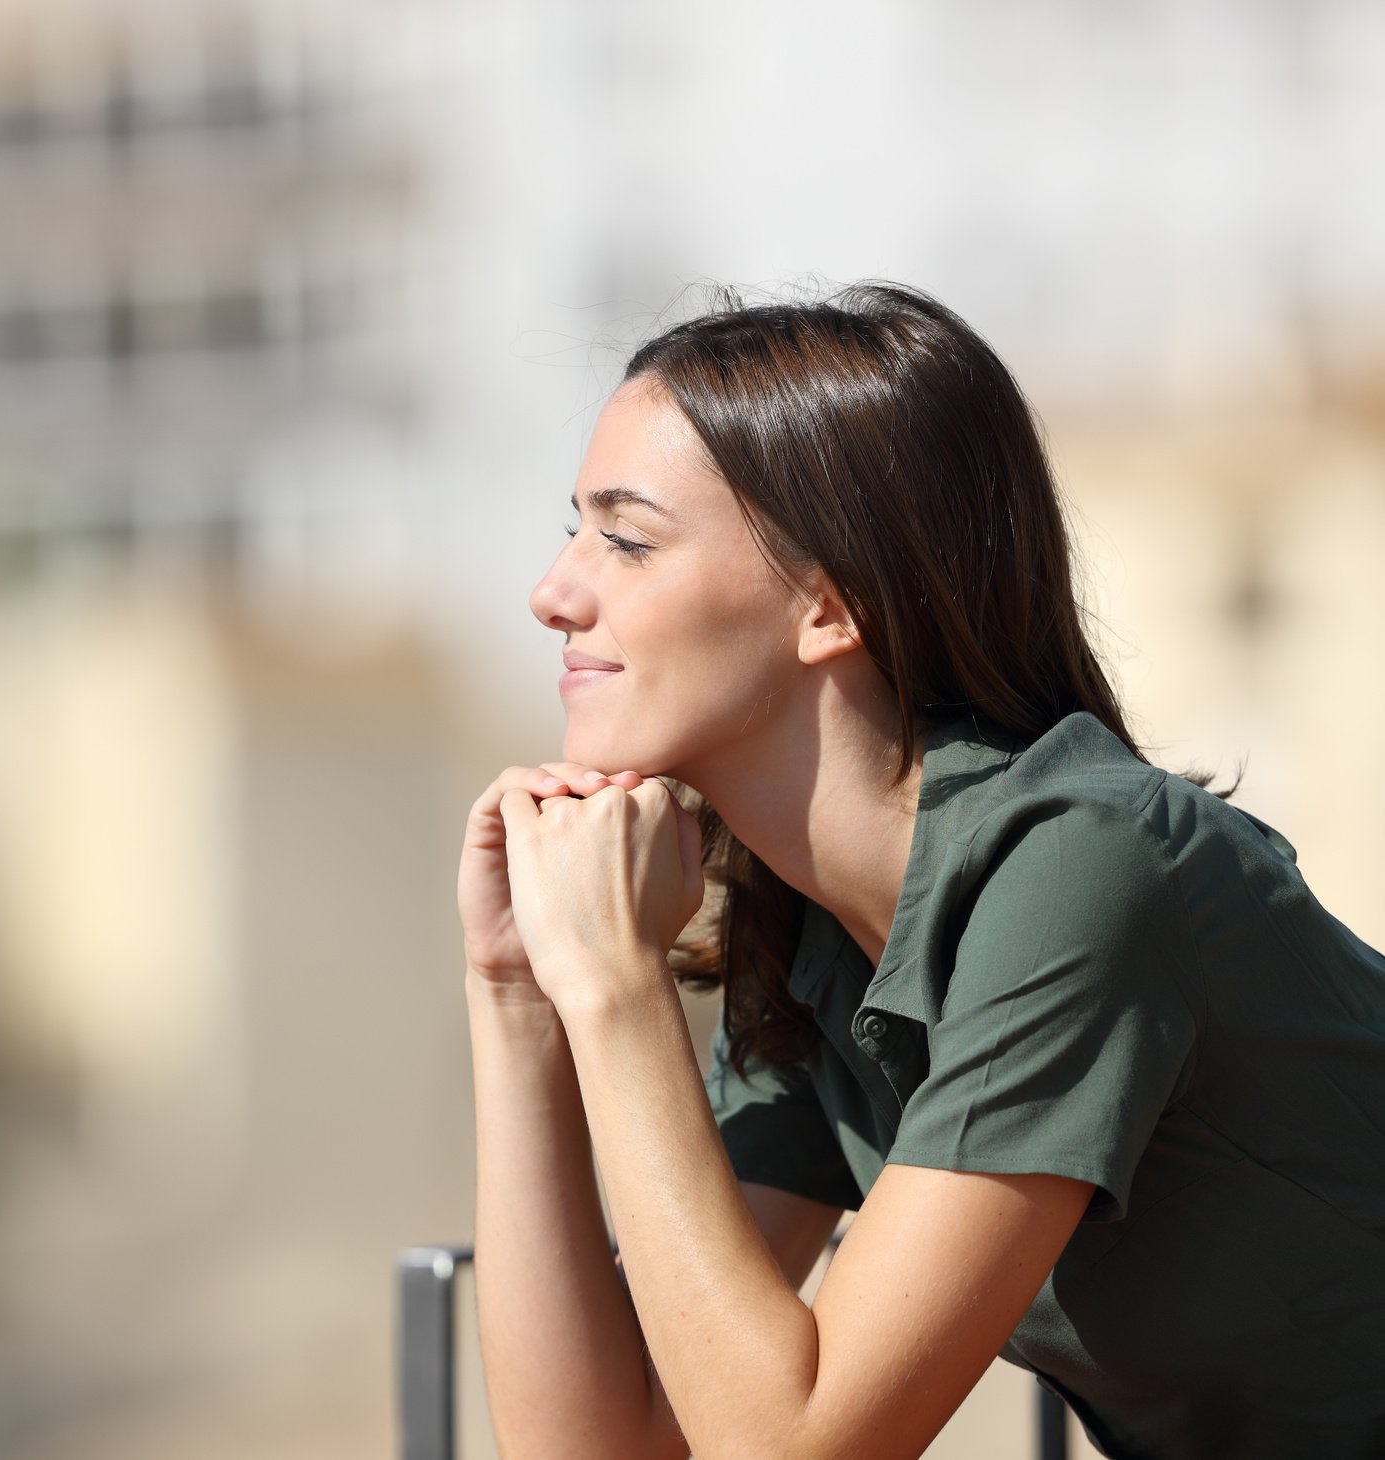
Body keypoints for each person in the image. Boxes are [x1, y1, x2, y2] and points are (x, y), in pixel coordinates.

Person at [456, 281, 1385, 1460]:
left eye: (625, 540)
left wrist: (616, 986)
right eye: (571, 531)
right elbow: (606, 1446)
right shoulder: (820, 942)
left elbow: (794, 1443)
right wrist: (517, 996)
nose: (553, 591)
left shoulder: (1077, 873)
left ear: (829, 605)